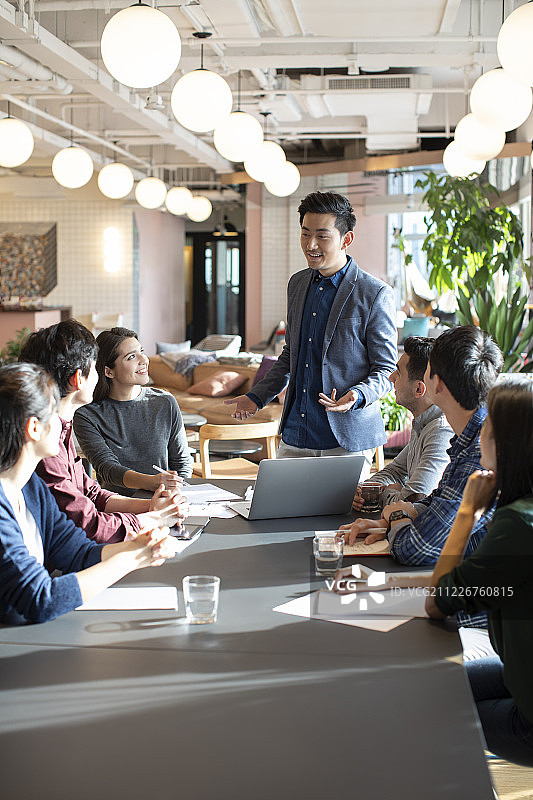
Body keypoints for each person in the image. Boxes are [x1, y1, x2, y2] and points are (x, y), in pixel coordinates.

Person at [225, 191, 397, 480]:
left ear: (346, 239)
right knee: (279, 518)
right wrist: (257, 397)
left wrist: (356, 395)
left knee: (339, 525)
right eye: (305, 234)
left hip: (346, 440)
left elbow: (386, 368)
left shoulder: (375, 293)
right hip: (296, 433)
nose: (311, 245)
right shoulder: (297, 283)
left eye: (321, 236)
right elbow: (291, 355)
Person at [341, 326, 503, 629]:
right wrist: (395, 516)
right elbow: (441, 502)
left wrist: (399, 512)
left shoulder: (478, 454)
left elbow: (415, 548)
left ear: (434, 383)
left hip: (472, 620)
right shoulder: (467, 439)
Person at [0, 363, 177, 625]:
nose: (61, 423)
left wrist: (137, 545)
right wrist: (133, 558)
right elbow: (40, 599)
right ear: (34, 428)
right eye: (53, 414)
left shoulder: (30, 487)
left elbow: (77, 553)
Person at [426, 380, 533, 766]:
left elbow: (438, 602)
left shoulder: (518, 524)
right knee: (437, 685)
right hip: (519, 671)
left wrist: (467, 513)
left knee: (431, 706)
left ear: (507, 444)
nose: (480, 432)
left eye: (488, 426)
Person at [19, 320, 188, 543]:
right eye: (94, 367)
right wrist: (153, 519)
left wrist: (153, 507)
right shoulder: (46, 444)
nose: (97, 374)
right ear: (79, 379)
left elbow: (91, 493)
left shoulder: (62, 429)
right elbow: (89, 525)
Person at [73, 327, 193, 496]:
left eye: (141, 351)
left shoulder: (165, 402)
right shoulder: (87, 415)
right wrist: (151, 482)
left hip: (166, 499)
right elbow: (107, 468)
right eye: (131, 356)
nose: (144, 359)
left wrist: (177, 491)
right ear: (108, 371)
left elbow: (182, 462)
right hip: (119, 507)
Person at [353, 336, 453, 510]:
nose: (391, 378)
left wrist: (383, 494)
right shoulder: (423, 423)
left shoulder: (441, 432)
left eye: (398, 373)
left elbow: (412, 502)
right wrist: (365, 490)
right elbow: (395, 471)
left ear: (419, 389)